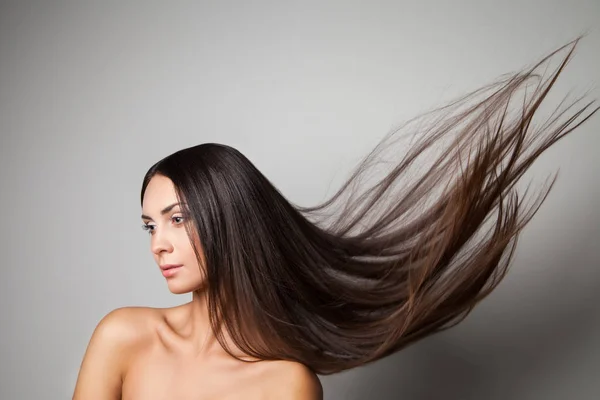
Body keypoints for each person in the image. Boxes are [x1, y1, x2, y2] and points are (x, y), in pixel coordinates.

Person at [72, 38, 597, 399]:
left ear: (229, 219)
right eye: (149, 225)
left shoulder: (286, 385)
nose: (157, 244)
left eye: (177, 219)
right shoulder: (124, 336)